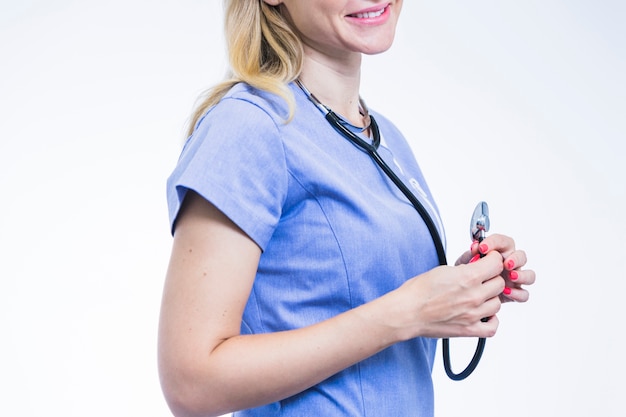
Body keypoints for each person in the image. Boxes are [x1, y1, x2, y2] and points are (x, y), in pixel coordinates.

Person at [158, 1, 536, 416]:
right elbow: (191, 384)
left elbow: (348, 289)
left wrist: (464, 286)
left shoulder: (383, 136)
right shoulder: (247, 127)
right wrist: (407, 311)